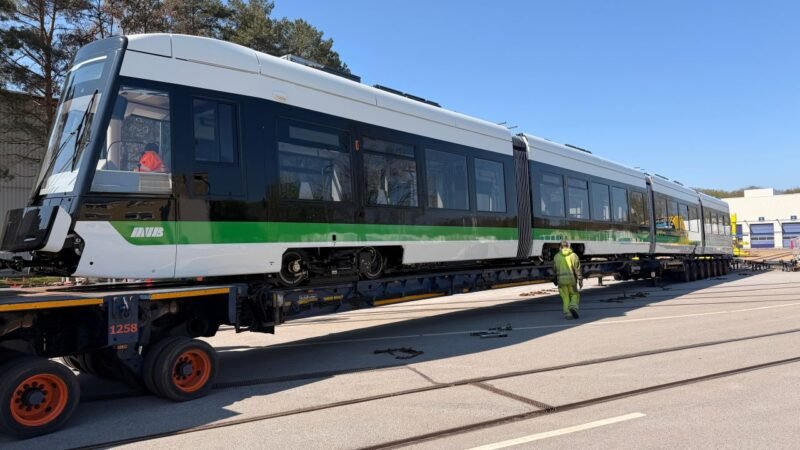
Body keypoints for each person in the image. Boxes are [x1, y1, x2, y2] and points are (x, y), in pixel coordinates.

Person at [553, 240, 582, 319]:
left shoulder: (556, 256)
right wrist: (580, 280)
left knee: (565, 297)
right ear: (568, 246)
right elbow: (577, 269)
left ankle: (568, 314)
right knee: (575, 294)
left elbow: (555, 270)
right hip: (572, 281)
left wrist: (555, 279)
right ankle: (573, 307)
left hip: (561, 281)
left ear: (560, 247)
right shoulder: (574, 255)